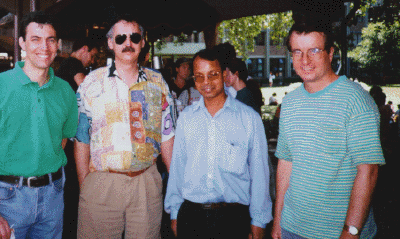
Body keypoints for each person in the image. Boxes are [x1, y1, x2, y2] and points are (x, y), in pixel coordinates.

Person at [0, 11, 78, 239]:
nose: (44, 47)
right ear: (22, 43)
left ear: (57, 45)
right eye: (35, 39)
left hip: (53, 196)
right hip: (7, 198)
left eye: (50, 39)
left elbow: (62, 140)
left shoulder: (66, 91)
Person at [272, 21, 385, 239]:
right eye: (297, 52)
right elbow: (286, 163)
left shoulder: (356, 100)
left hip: (338, 233)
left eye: (314, 50)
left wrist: (351, 233)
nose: (305, 60)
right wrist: (278, 220)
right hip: (291, 229)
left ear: (331, 53)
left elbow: (368, 171)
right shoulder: (290, 103)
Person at [74, 14, 175, 239]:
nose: (127, 44)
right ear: (110, 43)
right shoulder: (91, 83)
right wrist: (86, 186)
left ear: (142, 42)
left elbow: (167, 137)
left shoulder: (158, 83)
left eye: (134, 37)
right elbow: (82, 139)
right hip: (102, 184)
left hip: (146, 183)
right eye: (121, 38)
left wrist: (175, 186)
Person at [165, 48, 272, 239]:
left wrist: (259, 220)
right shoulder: (186, 119)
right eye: (199, 76)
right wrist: (175, 213)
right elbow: (178, 168)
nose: (206, 82)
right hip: (191, 216)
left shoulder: (248, 119)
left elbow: (260, 174)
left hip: (232, 217)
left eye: (212, 75)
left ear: (224, 75)